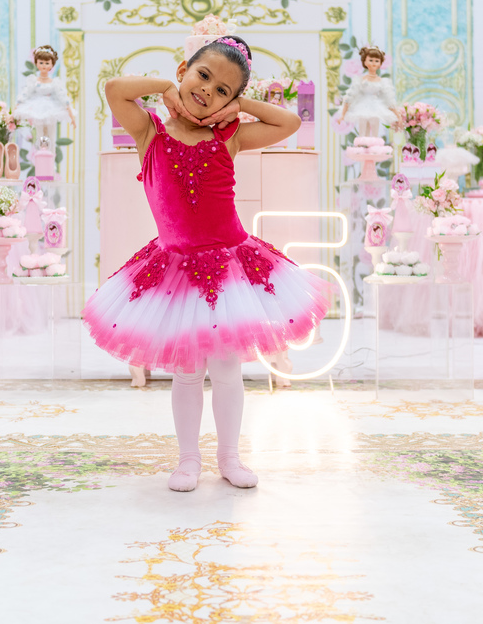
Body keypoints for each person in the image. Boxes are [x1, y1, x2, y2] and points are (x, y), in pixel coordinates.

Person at [84, 35, 329, 492]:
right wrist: (165, 88)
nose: (207, 91)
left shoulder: (229, 136)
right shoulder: (150, 132)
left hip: (230, 268)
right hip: (175, 270)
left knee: (227, 369)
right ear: (183, 70)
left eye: (222, 90)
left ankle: (230, 456)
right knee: (186, 371)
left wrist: (240, 108)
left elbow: (290, 121)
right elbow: (115, 88)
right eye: (202, 76)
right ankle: (188, 459)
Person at [15, 45, 75, 148]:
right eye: (41, 63)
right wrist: (17, 107)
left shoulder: (54, 82)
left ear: (51, 65)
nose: (44, 66)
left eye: (47, 63)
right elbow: (25, 94)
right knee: (40, 134)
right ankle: (40, 153)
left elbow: (62, 97)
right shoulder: (33, 81)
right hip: (37, 108)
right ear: (36, 63)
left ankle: (51, 155)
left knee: (51, 135)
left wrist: (71, 114)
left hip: (51, 109)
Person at [336, 45, 397, 137]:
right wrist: (343, 114)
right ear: (365, 62)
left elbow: (388, 99)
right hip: (362, 106)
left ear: (380, 63)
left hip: (376, 106)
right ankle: (362, 144)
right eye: (371, 60)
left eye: (377, 61)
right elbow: (350, 96)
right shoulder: (361, 80)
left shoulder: (382, 82)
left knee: (375, 126)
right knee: (363, 128)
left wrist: (397, 115)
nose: (373, 63)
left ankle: (375, 144)